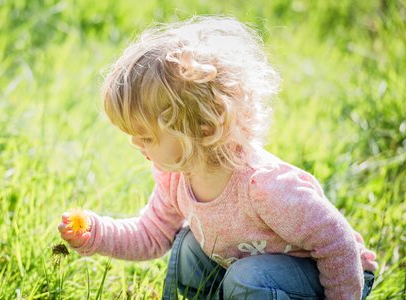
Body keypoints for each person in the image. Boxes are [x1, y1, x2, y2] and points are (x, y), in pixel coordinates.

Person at [58, 16, 377, 299]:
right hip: (256, 272)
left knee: (248, 278)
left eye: (146, 136)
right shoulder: (175, 178)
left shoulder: (264, 188)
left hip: (332, 278)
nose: (134, 143)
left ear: (202, 128)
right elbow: (151, 234)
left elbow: (338, 243)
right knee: (188, 248)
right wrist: (96, 233)